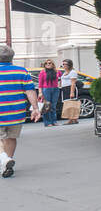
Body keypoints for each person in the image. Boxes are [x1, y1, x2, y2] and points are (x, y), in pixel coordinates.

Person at [0, 44, 40, 178]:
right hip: (16, 112)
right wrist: (35, 108)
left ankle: (4, 160)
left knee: (1, 138)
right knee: (11, 137)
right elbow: (30, 91)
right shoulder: (21, 71)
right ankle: (7, 162)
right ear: (11, 58)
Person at [37, 59, 60, 127]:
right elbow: (40, 84)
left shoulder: (57, 72)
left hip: (55, 89)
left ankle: (54, 121)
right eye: (46, 63)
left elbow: (61, 78)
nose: (48, 64)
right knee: (47, 106)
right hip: (46, 89)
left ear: (53, 64)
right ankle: (47, 122)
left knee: (53, 106)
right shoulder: (42, 72)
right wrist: (40, 92)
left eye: (50, 63)